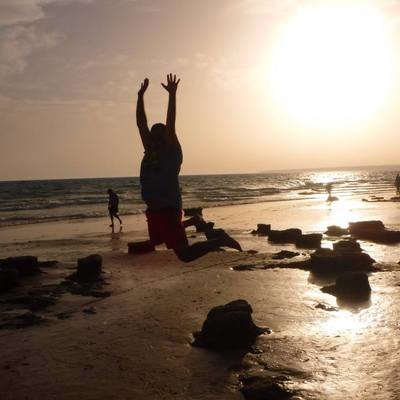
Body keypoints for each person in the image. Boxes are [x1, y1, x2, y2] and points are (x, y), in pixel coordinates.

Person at [135, 74, 241, 262]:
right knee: (157, 240)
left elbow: (171, 124)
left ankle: (219, 241)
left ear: (166, 138)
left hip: (168, 210)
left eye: (159, 135)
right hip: (153, 210)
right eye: (153, 135)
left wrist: (172, 95)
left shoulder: (171, 152)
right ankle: (193, 221)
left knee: (185, 255)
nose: (154, 138)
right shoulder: (150, 151)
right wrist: (140, 96)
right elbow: (141, 124)